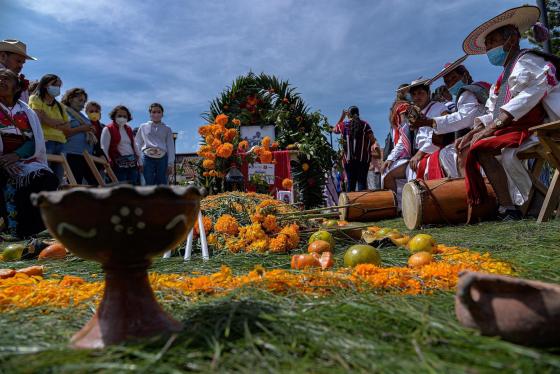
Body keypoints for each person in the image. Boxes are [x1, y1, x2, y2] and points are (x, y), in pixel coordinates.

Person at [459, 5, 560, 219]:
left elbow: (527, 98)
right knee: (478, 146)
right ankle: (510, 207)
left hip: (547, 125)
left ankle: (530, 203)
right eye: (487, 46)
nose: (489, 50)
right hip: (526, 127)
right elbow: (492, 110)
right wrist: (475, 130)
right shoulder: (504, 75)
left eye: (492, 42)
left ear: (511, 40)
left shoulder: (528, 61)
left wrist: (491, 129)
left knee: (485, 146)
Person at [0, 68, 58, 238]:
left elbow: (35, 140)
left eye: (6, 78)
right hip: (2, 161)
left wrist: (16, 156)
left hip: (23, 159)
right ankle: (11, 229)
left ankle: (35, 230)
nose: (1, 81)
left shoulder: (26, 111)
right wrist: (3, 161)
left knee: (46, 178)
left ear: (17, 87)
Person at [409, 61, 489, 177]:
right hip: (478, 132)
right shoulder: (473, 90)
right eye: (447, 81)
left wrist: (429, 122)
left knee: (447, 153)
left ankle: (469, 187)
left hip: (483, 132)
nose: (451, 83)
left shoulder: (467, 92)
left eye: (454, 78)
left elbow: (464, 119)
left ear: (465, 76)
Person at [382, 79, 447, 193]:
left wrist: (419, 154)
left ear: (428, 93)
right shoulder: (413, 114)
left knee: (414, 171)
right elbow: (403, 138)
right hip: (418, 154)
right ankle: (400, 208)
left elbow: (441, 132)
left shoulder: (439, 108)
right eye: (414, 94)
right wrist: (390, 158)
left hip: (436, 149)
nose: (417, 97)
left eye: (421, 93)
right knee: (386, 172)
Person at [28, 74, 70, 182]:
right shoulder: (35, 98)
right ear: (45, 85)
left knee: (58, 178)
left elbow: (68, 127)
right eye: (54, 84)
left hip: (61, 144)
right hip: (45, 141)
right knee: (44, 176)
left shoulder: (60, 106)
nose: (57, 88)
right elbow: (38, 118)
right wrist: (59, 123)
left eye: (59, 86)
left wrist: (47, 119)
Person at [332, 106, 376, 192]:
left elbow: (334, 130)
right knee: (362, 184)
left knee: (350, 184)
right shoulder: (365, 125)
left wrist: (342, 117)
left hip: (348, 161)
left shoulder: (343, 125)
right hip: (363, 160)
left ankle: (350, 205)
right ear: (358, 114)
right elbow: (373, 140)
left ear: (349, 114)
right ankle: (362, 205)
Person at [61, 88, 98, 185]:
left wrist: (90, 130)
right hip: (72, 154)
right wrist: (82, 128)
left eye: (84, 101)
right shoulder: (63, 111)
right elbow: (64, 133)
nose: (82, 104)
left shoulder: (83, 116)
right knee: (74, 185)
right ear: (70, 99)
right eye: (80, 100)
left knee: (95, 184)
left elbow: (86, 128)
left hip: (87, 156)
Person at [135, 103, 175, 185]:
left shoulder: (167, 129)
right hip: (146, 158)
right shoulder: (143, 127)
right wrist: (139, 161)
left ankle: (162, 198)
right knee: (147, 183)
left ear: (162, 114)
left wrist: (170, 164)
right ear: (150, 114)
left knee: (162, 183)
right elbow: (137, 144)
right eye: (153, 112)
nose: (156, 114)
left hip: (162, 159)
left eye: (159, 112)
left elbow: (170, 146)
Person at [100, 105, 142, 184]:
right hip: (118, 165)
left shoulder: (128, 129)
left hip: (132, 164)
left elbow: (134, 145)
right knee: (121, 190)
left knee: (134, 189)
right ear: (114, 116)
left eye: (124, 116)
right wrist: (107, 164)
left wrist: (140, 162)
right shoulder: (108, 129)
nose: (122, 118)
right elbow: (104, 148)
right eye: (119, 116)